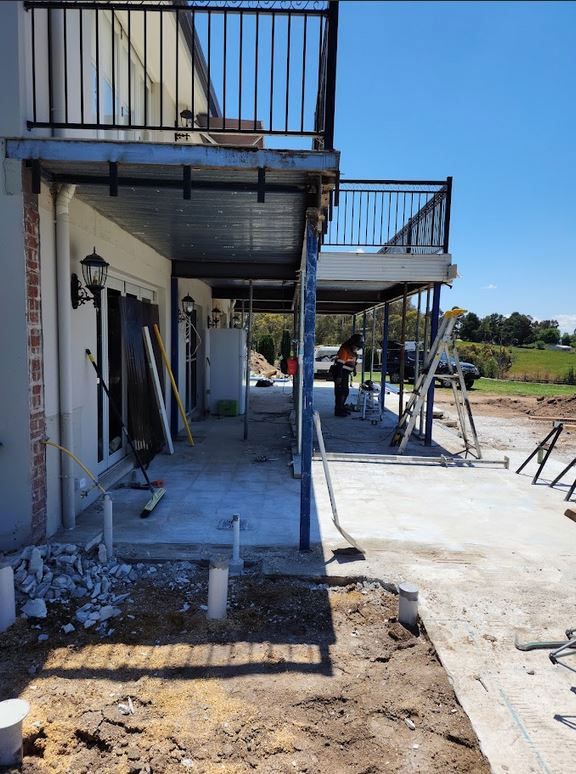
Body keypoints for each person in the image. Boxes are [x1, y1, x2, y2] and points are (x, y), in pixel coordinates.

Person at [332, 333, 364, 416]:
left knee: (345, 392)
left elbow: (353, 362)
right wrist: (339, 377)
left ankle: (342, 408)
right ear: (352, 343)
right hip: (340, 373)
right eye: (356, 346)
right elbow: (340, 364)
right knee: (340, 393)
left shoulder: (352, 352)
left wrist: (354, 370)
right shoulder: (344, 350)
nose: (356, 348)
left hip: (345, 374)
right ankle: (338, 410)